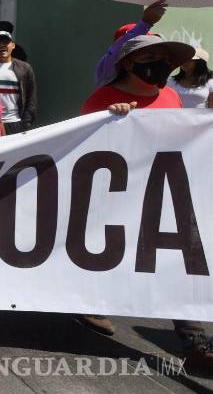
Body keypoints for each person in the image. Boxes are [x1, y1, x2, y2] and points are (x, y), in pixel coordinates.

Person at [77, 34, 213, 373]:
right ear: (127, 63)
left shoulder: (169, 96)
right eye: (151, 56)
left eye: (165, 58)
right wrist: (110, 120)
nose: (161, 64)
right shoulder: (104, 97)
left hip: (163, 192)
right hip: (116, 195)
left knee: (181, 259)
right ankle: (85, 299)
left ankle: (193, 340)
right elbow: (83, 147)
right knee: (107, 250)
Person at [0, 29, 37, 133]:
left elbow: (31, 98)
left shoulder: (24, 68)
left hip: (15, 122)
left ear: (13, 45)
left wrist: (26, 124)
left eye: (5, 42)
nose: (2, 45)